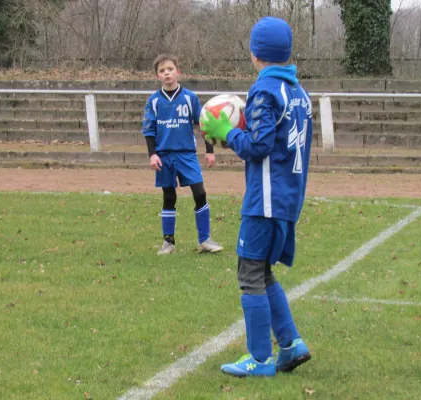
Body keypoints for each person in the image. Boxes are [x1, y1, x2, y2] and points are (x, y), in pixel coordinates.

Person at [200, 17, 313, 377]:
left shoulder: (265, 91)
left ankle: (260, 358)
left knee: (249, 273)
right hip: (288, 198)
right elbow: (277, 139)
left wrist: (228, 133)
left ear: (254, 53)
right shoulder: (299, 93)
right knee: (262, 272)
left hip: (265, 200)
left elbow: (259, 147)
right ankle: (291, 343)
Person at [142, 54, 223, 255]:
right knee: (169, 197)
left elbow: (204, 124)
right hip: (164, 156)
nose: (166, 73)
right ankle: (168, 242)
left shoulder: (189, 97)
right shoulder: (153, 101)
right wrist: (153, 155)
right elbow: (149, 130)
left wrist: (210, 151)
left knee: (200, 193)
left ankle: (205, 240)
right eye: (162, 71)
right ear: (157, 76)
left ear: (178, 72)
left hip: (187, 155)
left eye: (170, 69)